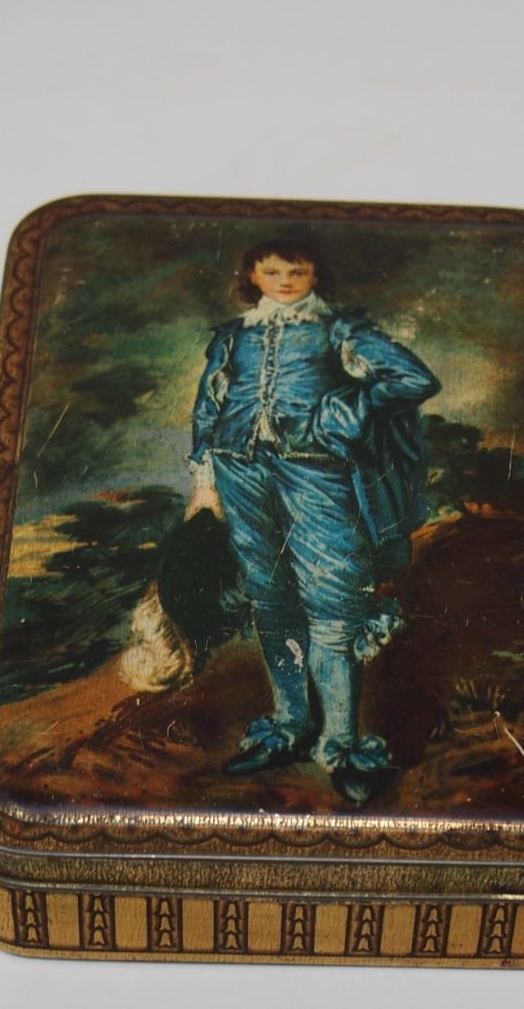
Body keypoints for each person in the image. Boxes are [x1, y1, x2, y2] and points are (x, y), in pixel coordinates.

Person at [187, 238, 440, 806]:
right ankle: (290, 724)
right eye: (271, 270)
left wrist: (343, 412)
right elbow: (208, 409)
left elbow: (413, 379)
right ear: (252, 274)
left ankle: (341, 742)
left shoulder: (338, 330)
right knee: (270, 597)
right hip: (239, 471)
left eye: (296, 270)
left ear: (316, 275)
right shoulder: (235, 336)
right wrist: (204, 484)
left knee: (332, 602)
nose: (284, 280)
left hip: (317, 473)